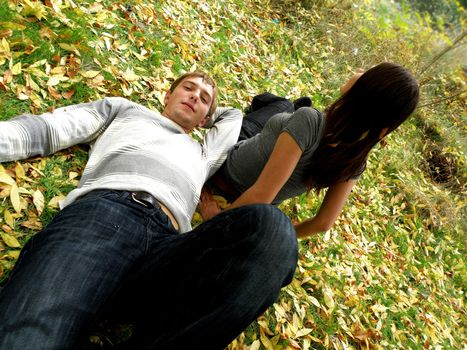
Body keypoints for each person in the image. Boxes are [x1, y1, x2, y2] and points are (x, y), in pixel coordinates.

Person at [0, 71, 298, 349]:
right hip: (108, 217)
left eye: (204, 98)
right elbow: (51, 128)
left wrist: (208, 113)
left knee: (275, 230)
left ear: (206, 118)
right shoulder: (125, 111)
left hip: (171, 250)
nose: (195, 96)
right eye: (188, 88)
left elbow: (232, 117)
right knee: (32, 334)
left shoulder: (204, 154)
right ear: (167, 96)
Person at [200, 63, 420, 238]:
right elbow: (323, 224)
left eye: (366, 74)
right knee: (286, 106)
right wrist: (282, 234)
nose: (359, 71)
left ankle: (206, 116)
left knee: (244, 114)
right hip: (255, 177)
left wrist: (215, 221)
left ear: (365, 92)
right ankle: (284, 105)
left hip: (226, 169)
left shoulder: (310, 121)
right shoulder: (354, 162)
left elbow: (261, 194)